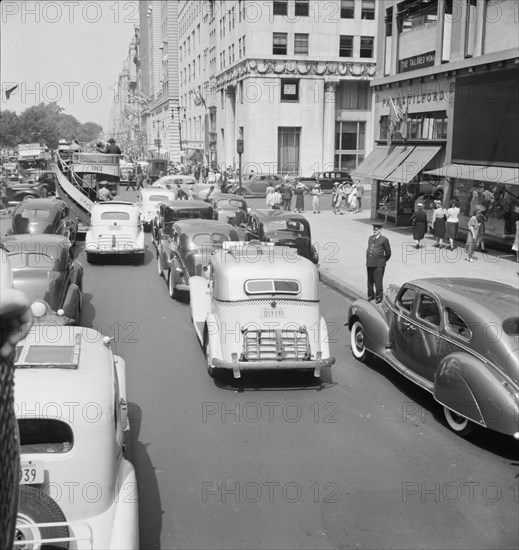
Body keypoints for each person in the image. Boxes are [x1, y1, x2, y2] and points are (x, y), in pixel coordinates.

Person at [366, 223, 391, 303]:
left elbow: (388, 253)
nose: (374, 231)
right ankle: (370, 295)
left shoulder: (384, 239)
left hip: (379, 264)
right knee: (370, 281)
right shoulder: (370, 238)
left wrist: (382, 260)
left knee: (378, 281)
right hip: (370, 263)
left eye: (376, 229)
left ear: (380, 230)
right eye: (374, 229)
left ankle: (379, 297)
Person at [512, 205, 519, 274]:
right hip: (517, 238)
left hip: (517, 237)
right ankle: (517, 258)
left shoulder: (517, 222)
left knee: (517, 248)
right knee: (517, 248)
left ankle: (517, 258)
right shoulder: (517, 222)